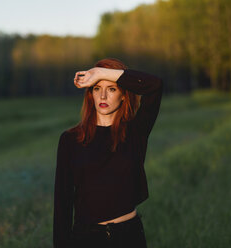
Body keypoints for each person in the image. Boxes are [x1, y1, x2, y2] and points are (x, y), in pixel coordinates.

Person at [53, 58, 163, 248]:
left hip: (129, 237)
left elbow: (155, 85)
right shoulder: (70, 140)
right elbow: (62, 203)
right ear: (91, 94)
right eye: (97, 88)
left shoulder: (136, 132)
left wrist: (101, 73)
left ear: (123, 95)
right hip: (86, 239)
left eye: (111, 89)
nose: (103, 96)